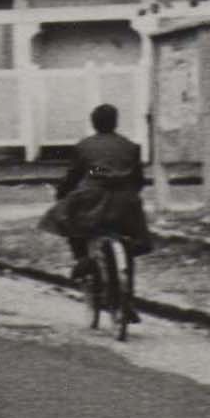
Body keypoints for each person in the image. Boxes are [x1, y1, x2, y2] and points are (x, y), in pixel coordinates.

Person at [41, 102, 154, 302]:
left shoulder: (84, 147)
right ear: (116, 123)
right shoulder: (130, 146)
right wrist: (122, 181)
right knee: (128, 245)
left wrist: (64, 192)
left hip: (93, 200)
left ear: (93, 124)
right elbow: (138, 179)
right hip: (125, 203)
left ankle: (82, 259)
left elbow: (76, 176)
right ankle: (128, 299)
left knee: (68, 219)